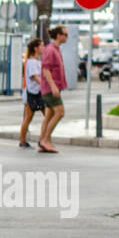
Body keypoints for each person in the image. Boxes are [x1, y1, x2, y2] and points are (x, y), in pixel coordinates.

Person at [38, 25, 69, 153]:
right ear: (58, 35)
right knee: (60, 112)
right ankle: (45, 140)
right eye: (65, 34)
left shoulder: (56, 49)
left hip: (53, 88)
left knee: (49, 114)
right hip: (50, 88)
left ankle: (43, 141)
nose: (67, 37)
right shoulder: (51, 50)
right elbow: (46, 69)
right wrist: (53, 87)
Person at [18, 38, 45, 148]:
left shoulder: (35, 61)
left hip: (36, 93)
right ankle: (24, 140)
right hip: (33, 93)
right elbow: (35, 77)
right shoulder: (32, 62)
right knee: (29, 118)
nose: (44, 48)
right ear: (36, 48)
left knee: (45, 116)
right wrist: (45, 86)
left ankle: (41, 139)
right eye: (42, 46)